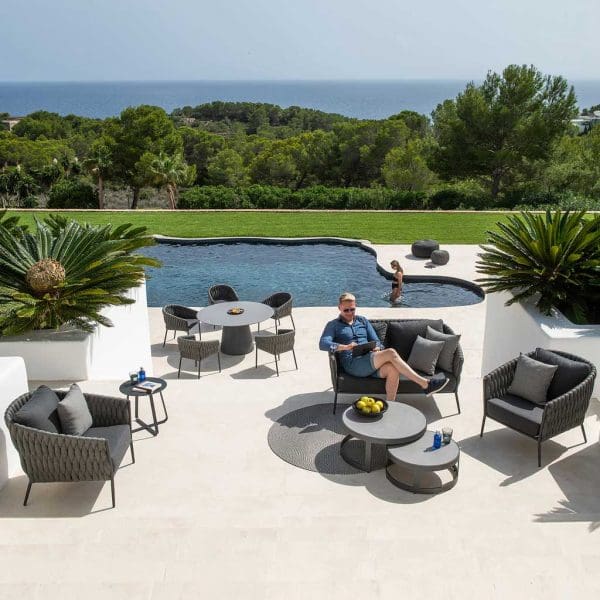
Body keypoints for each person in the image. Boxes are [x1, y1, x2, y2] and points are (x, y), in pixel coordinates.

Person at [319, 292, 448, 402]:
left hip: (370, 359)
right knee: (391, 352)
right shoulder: (333, 325)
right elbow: (323, 343)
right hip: (353, 364)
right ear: (339, 308)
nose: (349, 312)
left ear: (355, 307)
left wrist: (377, 348)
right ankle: (425, 384)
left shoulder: (362, 321)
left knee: (393, 369)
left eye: (352, 309)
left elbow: (377, 341)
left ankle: (390, 405)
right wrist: (345, 347)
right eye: (346, 310)